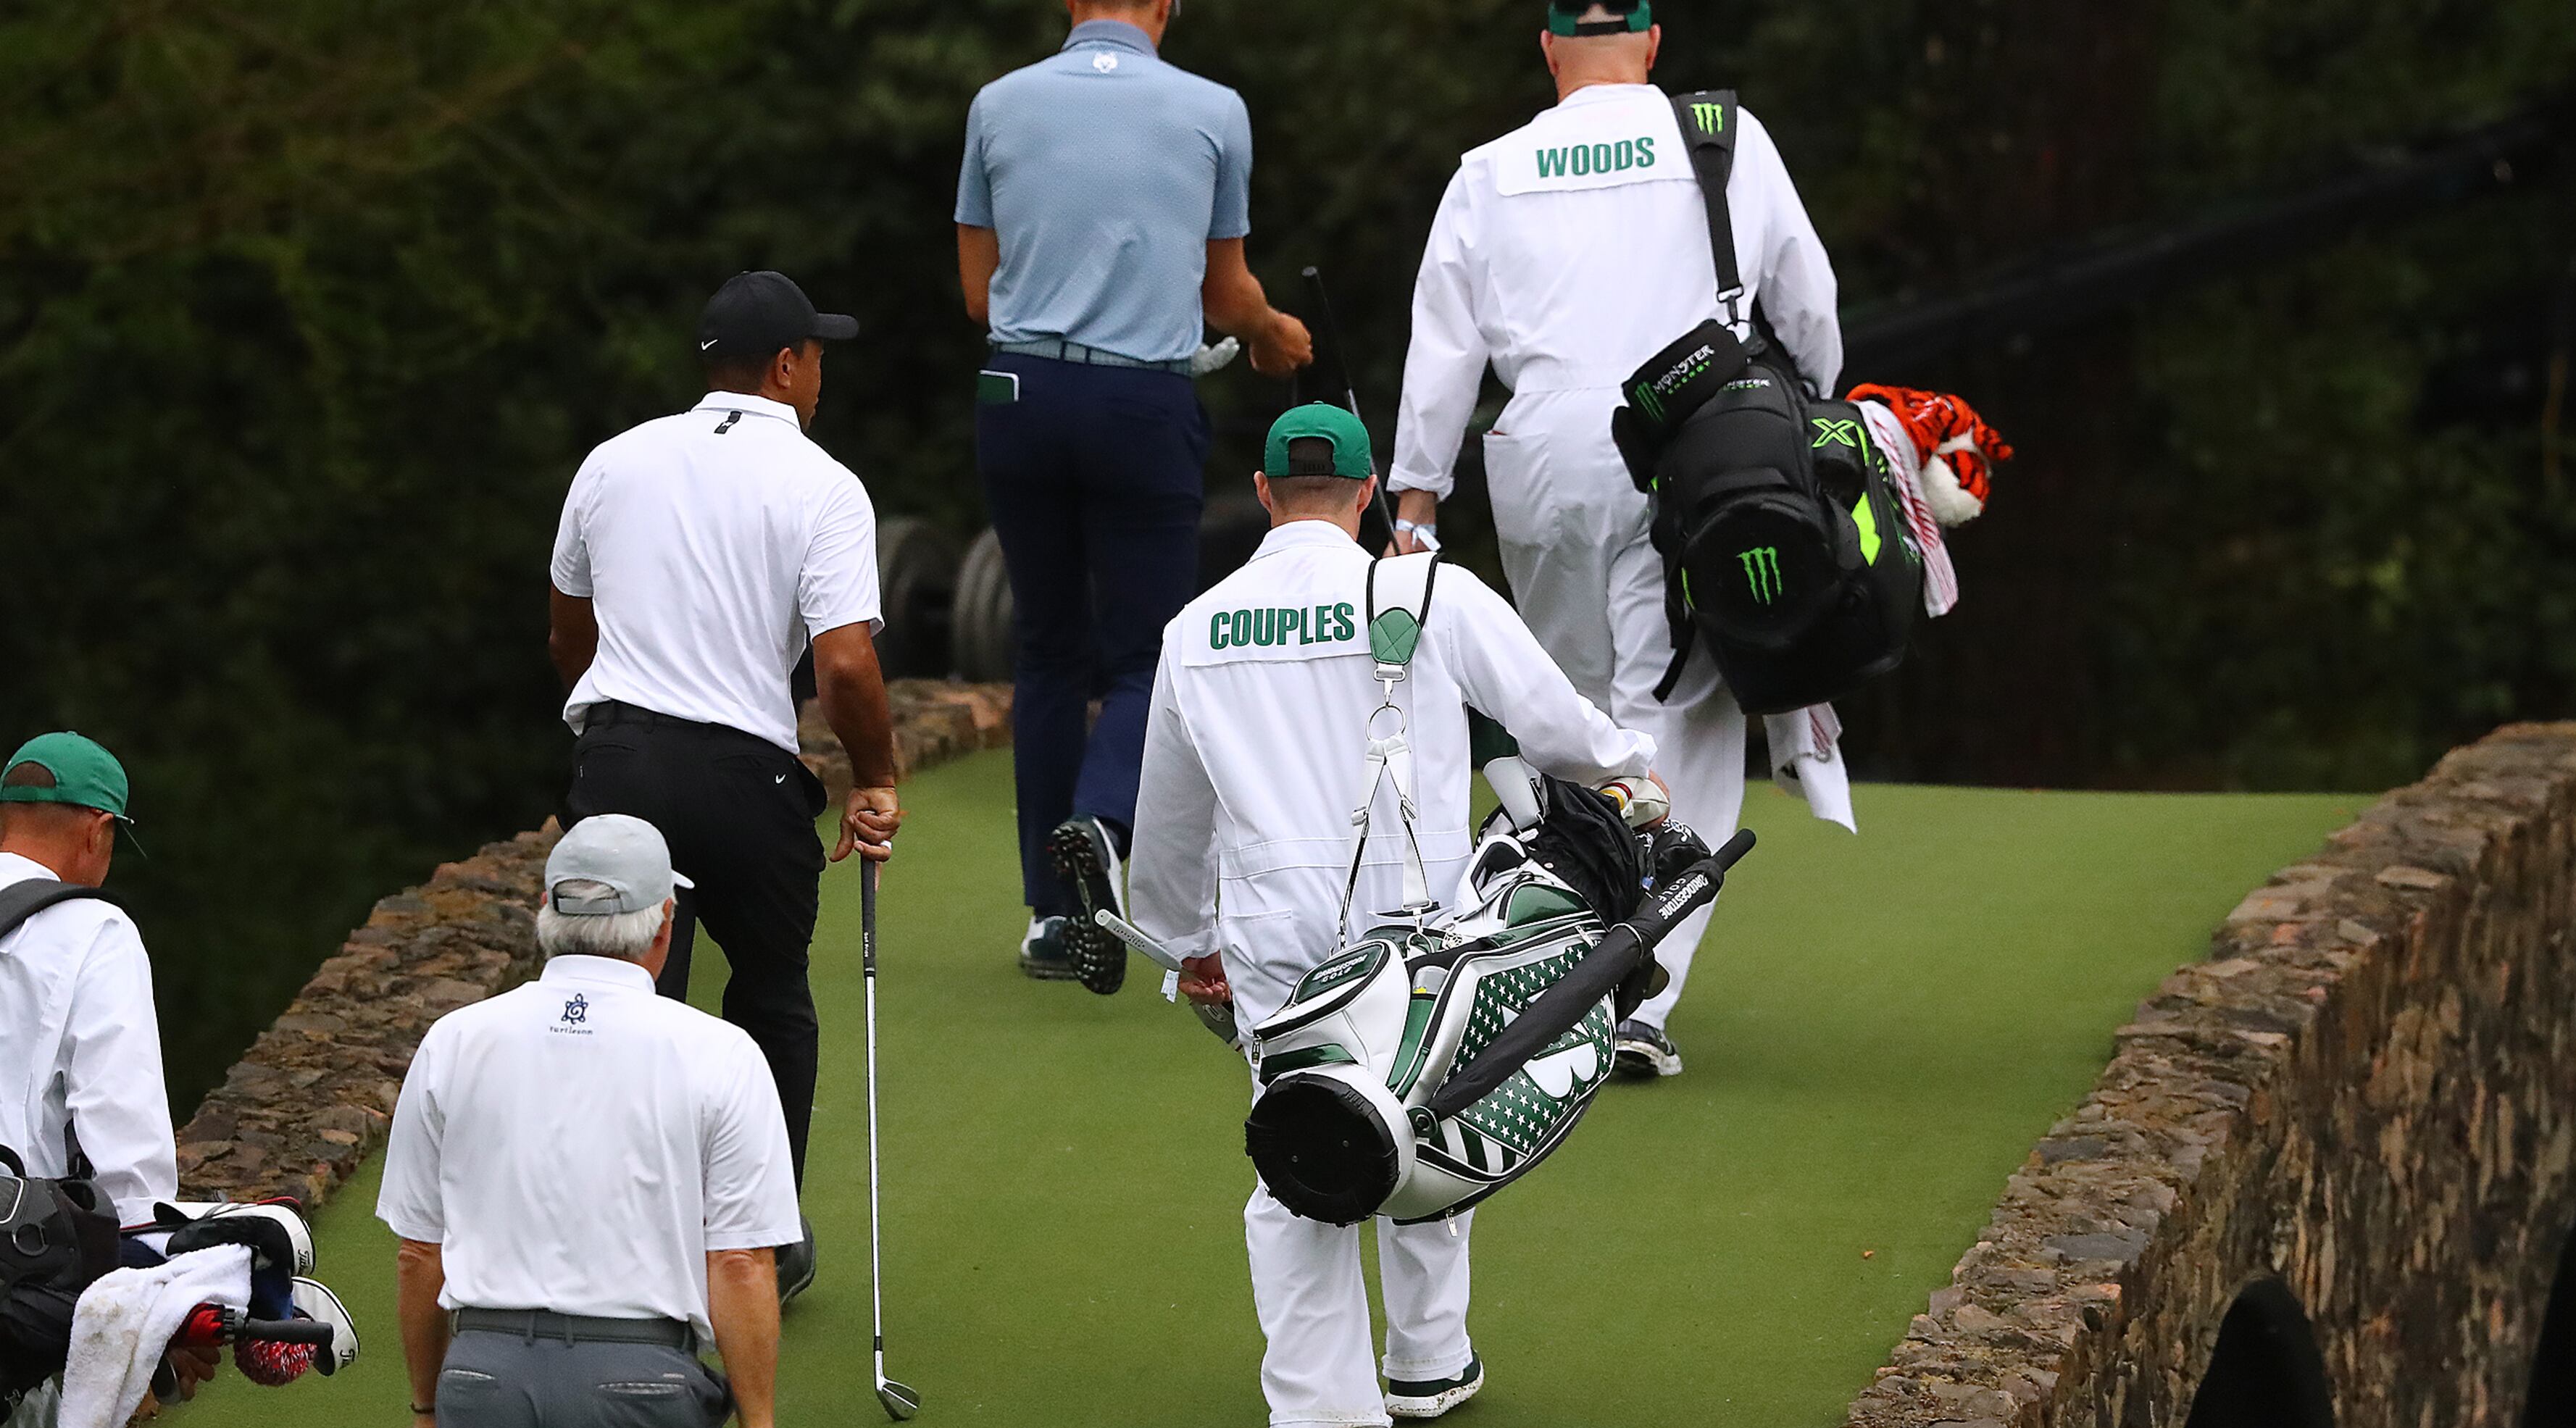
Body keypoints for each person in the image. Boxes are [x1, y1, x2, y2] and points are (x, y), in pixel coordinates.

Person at [1127, 406, 1658, 1428]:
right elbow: (1555, 725)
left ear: (1267, 495)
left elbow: (1170, 819)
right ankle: (1425, 1361)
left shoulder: (1197, 628)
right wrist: (1632, 772)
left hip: (1274, 923)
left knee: (1304, 1143)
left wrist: (1182, 945)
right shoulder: (1431, 592)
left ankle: (1308, 1425)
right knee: (1439, 1095)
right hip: (1417, 907)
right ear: (1369, 494)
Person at [1388, 0, 1841, 1081]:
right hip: (1689, 441)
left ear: (1547, 49)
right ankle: (1635, 994)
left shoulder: (1490, 167)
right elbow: (1807, 300)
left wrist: (1414, 502)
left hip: (1537, 445)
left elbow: (1442, 346)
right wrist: (1814, 418)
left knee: (1562, 703)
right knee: (1677, 705)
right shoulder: (1719, 141)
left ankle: (1556, 952)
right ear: (1651, 43)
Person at [548, 269, 904, 1300]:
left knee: (617, 1002)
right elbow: (842, 665)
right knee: (771, 997)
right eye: (820, 357)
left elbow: (570, 627)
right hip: (746, 777)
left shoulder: (613, 461)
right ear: (788, 367)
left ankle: (608, 1248)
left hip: (619, 762)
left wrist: (605, 737)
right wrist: (875, 777)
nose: (823, 376)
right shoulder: (824, 483)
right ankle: (759, 1242)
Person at [956, 0, 1316, 992]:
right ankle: (1101, 817)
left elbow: (980, 295)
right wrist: (1273, 334)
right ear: (1166, 8)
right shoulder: (1213, 108)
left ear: (1070, 4)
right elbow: (1226, 292)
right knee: (1149, 651)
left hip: (1018, 394)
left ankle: (1045, 916)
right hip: (1138, 402)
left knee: (1045, 649)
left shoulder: (998, 102)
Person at [377, 814, 803, 1428]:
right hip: (640, 1391)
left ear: (547, 911)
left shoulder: (455, 1040)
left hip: (486, 1381)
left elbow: (421, 1254)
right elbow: (739, 1264)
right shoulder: (721, 1054)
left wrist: (428, 1408)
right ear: (664, 923)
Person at [0, 732, 214, 1428]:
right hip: (14, 1279)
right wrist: (157, 1313)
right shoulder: (92, 932)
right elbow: (126, 1147)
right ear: (97, 831)